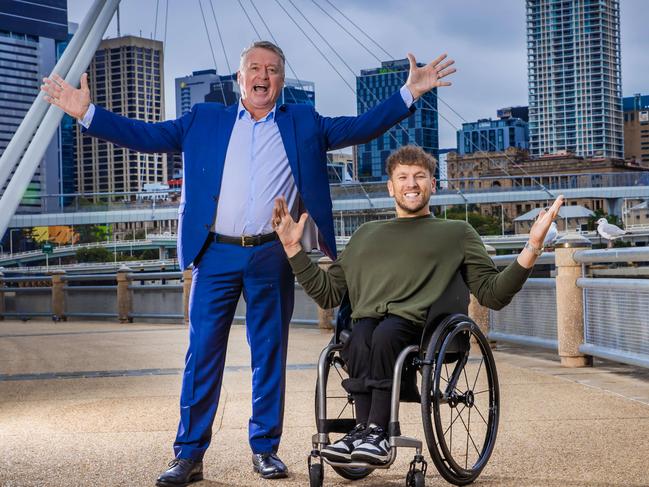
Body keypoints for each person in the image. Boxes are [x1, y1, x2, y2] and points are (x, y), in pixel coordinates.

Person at [40, 41, 456, 485]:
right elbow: (147, 136)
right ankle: (188, 455)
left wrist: (409, 93)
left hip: (270, 253)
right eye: (254, 68)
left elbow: (362, 126)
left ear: (281, 80)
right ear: (239, 78)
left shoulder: (303, 122)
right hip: (214, 252)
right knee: (202, 355)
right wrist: (87, 113)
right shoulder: (204, 120)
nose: (263, 75)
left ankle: (265, 450)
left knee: (268, 353)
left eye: (273, 69)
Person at [272, 145, 563, 465]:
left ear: (433, 184)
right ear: (390, 187)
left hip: (421, 326)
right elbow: (328, 294)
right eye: (403, 177)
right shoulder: (365, 234)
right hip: (368, 325)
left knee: (383, 334)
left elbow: (492, 293)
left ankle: (376, 432)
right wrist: (292, 247)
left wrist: (533, 246)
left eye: (419, 176)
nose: (411, 184)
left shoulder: (456, 233)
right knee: (357, 335)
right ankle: (363, 431)